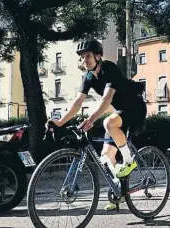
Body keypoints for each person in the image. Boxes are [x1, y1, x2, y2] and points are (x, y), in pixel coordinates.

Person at [47, 39, 147, 211]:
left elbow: (107, 99)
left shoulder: (109, 69)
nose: (84, 60)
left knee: (108, 122)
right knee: (106, 157)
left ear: (98, 56)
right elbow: (78, 101)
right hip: (120, 112)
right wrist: (61, 122)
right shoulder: (88, 77)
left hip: (135, 108)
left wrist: (91, 119)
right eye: (82, 57)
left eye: (88, 56)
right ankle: (120, 191)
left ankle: (130, 161)